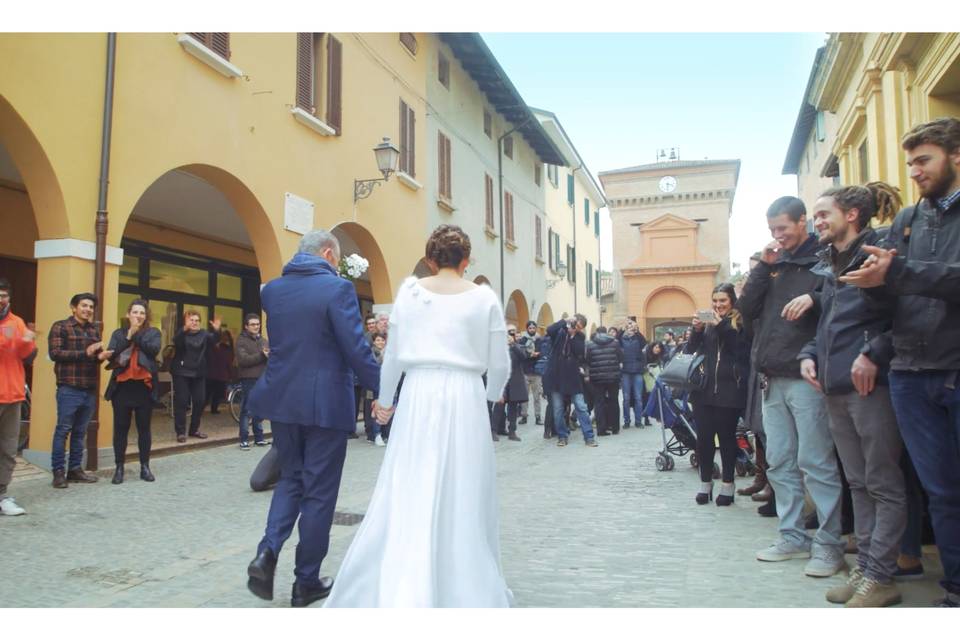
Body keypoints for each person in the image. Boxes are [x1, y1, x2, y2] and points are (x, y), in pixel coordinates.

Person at [324, 224, 513, 607]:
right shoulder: (484, 298)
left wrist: (386, 399)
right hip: (465, 396)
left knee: (409, 483)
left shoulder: (410, 293)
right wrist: (491, 398)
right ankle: (461, 584)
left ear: (430, 260)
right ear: (466, 260)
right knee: (465, 487)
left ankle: (401, 579)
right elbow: (500, 363)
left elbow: (392, 355)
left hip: (418, 393)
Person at [839, 117, 960, 607]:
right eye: (910, 162)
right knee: (941, 491)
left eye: (923, 160)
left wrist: (900, 272)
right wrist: (873, 289)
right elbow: (892, 308)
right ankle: (954, 588)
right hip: (911, 373)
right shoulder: (908, 221)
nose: (915, 171)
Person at [245, 229, 381, 608]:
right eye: (336, 260)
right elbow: (356, 348)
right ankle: (306, 581)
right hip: (325, 406)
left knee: (290, 479)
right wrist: (384, 392)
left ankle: (266, 552)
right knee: (319, 493)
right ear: (327, 254)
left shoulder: (271, 290)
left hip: (283, 401)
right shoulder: (337, 290)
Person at [795, 182, 907, 607]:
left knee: (882, 482)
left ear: (852, 215)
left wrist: (874, 353)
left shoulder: (880, 252)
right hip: (835, 386)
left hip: (869, 385)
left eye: (823, 214)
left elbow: (906, 315)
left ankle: (882, 576)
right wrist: (809, 354)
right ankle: (865, 570)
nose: (817, 222)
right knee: (858, 483)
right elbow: (828, 323)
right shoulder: (831, 263)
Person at [738, 195, 845, 578]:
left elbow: (843, 298)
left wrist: (814, 298)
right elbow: (747, 310)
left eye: (783, 228)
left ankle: (830, 545)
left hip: (806, 376)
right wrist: (763, 269)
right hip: (772, 376)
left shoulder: (827, 258)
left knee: (815, 463)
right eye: (772, 231)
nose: (778, 237)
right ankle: (791, 536)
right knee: (781, 462)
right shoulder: (774, 263)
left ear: (803, 223)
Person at [686, 283, 751, 506]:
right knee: (703, 439)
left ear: (732, 300)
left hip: (730, 389)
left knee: (726, 440)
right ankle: (705, 483)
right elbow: (690, 350)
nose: (718, 305)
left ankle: (728, 484)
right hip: (703, 390)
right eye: (715, 300)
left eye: (722, 300)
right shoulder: (708, 323)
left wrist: (721, 325)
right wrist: (696, 330)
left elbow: (740, 350)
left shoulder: (740, 321)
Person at [48, 292, 106, 488]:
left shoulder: (93, 331)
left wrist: (102, 356)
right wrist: (86, 352)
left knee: (80, 432)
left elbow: (94, 358)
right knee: (63, 430)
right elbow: (55, 353)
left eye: (90, 307)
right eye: (84, 306)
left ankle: (74, 469)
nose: (88, 309)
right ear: (74, 307)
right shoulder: (61, 326)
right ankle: (58, 472)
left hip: (89, 388)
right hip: (68, 387)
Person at [104, 298, 161, 484]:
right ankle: (119, 467)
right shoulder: (118, 333)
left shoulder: (153, 333)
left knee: (144, 429)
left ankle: (145, 466)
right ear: (128, 314)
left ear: (146, 317)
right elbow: (112, 355)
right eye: (135, 312)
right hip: (122, 388)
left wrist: (137, 335)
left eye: (142, 313)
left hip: (144, 387)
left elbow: (153, 350)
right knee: (121, 429)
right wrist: (129, 335)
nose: (138, 316)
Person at [0, 278, 37, 515]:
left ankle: (2, 495)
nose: (0, 299)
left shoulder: (17, 322)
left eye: (3, 295)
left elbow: (26, 355)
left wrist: (27, 342)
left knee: (7, 448)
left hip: (12, 394)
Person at [544, 314, 596, 448]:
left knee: (581, 407)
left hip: (572, 377)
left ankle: (589, 437)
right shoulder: (560, 331)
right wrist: (565, 321)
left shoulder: (580, 337)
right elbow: (549, 330)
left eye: (580, 328)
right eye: (576, 325)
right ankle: (562, 436)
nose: (576, 328)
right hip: (556, 376)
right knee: (558, 409)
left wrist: (573, 335)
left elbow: (579, 352)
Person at [171, 310, 221, 443]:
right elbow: (176, 341)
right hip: (181, 372)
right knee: (181, 402)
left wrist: (216, 330)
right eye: (191, 320)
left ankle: (194, 429)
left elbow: (215, 340)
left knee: (200, 401)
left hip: (198, 372)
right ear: (186, 321)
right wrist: (184, 329)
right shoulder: (181, 333)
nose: (194, 323)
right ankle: (181, 432)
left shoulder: (204, 334)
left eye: (197, 320)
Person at [236, 313, 269, 449]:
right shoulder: (241, 340)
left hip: (263, 378)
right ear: (246, 326)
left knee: (259, 409)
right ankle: (244, 439)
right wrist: (262, 355)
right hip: (248, 378)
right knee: (247, 410)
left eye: (258, 324)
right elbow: (243, 360)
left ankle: (259, 438)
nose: (256, 327)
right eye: (253, 324)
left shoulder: (263, 340)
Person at [585, 325, 623, 437]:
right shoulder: (615, 343)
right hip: (613, 377)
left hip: (597, 378)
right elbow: (621, 358)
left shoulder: (590, 344)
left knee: (599, 403)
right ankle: (615, 428)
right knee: (614, 401)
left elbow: (588, 361)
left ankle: (601, 429)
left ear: (596, 333)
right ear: (606, 332)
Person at [492, 325, 528, 441]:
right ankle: (494, 430)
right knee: (499, 406)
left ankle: (512, 431)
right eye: (509, 333)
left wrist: (512, 345)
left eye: (513, 333)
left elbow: (523, 358)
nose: (510, 335)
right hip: (502, 381)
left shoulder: (519, 347)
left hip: (515, 381)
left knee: (513, 408)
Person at [619, 319, 648, 428]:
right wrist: (623, 327)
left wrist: (636, 330)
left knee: (638, 397)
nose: (630, 329)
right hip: (625, 371)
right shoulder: (621, 339)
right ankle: (627, 421)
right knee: (626, 398)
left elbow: (644, 342)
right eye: (628, 328)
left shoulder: (638, 338)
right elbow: (617, 337)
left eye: (632, 328)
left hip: (637, 371)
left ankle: (638, 421)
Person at [517, 320, 544, 426]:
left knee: (537, 396)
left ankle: (538, 417)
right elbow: (521, 354)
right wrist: (529, 355)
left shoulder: (539, 339)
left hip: (536, 371)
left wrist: (538, 354)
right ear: (527, 329)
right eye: (530, 328)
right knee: (525, 396)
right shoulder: (523, 340)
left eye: (533, 328)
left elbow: (543, 352)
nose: (532, 330)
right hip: (525, 371)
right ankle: (524, 416)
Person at [364, 333, 387, 446]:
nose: (380, 342)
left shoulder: (389, 352)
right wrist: (381, 357)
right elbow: (371, 366)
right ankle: (376, 434)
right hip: (374, 385)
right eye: (378, 340)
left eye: (382, 340)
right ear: (374, 342)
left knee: (387, 409)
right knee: (375, 409)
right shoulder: (371, 352)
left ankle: (384, 434)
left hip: (387, 384)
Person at [206, 329, 234, 415]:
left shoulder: (215, 347)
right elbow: (228, 364)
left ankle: (200, 408)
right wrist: (230, 375)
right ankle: (214, 409)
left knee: (207, 393)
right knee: (217, 394)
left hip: (211, 374)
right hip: (222, 375)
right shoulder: (228, 350)